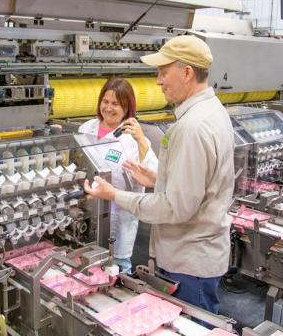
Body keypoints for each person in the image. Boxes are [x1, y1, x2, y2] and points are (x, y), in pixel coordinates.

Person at [83, 35, 235, 314]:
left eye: (164, 72)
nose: (158, 81)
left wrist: (114, 195)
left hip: (189, 262)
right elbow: (198, 186)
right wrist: (158, 181)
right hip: (199, 255)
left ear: (187, 73)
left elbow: (174, 208)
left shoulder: (192, 127)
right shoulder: (212, 112)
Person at [79, 77, 157, 274]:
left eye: (116, 104)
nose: (109, 108)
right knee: (86, 266)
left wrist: (141, 142)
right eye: (105, 101)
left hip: (118, 217)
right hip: (87, 213)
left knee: (118, 270)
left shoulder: (132, 139)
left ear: (126, 108)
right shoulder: (86, 128)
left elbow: (153, 176)